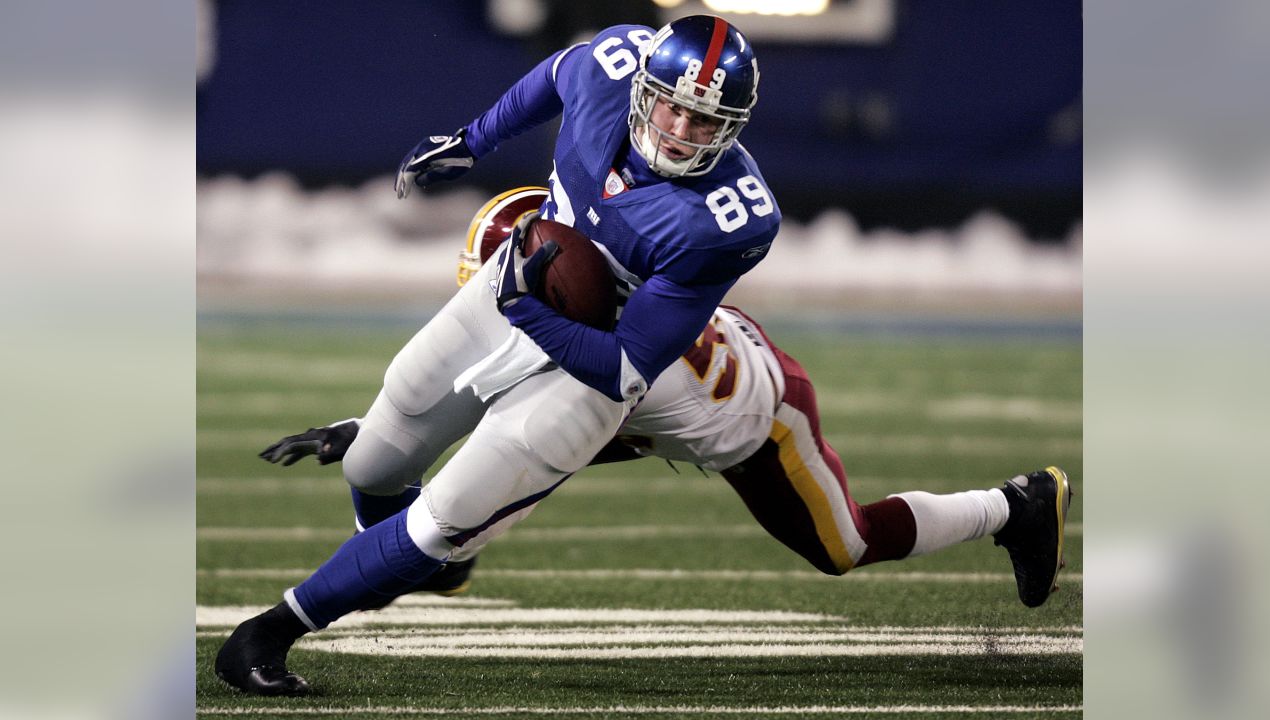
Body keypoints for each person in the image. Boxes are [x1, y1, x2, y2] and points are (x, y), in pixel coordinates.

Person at [218, 187, 1074, 697]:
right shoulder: (584, 301)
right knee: (466, 512)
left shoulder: (606, 370)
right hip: (663, 378)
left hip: (757, 415)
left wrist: (297, 615)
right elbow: (486, 401)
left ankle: (1017, 506)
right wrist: (367, 432)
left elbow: (482, 478)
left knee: (844, 545)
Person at [216, 15, 784, 696]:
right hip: (523, 280)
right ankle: (430, 567)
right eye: (674, 107)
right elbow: (554, 76)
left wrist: (524, 310)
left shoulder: (728, 218)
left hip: (593, 365)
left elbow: (625, 368)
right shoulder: (610, 66)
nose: (683, 133)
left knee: (442, 518)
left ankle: (270, 633)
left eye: (706, 121)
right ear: (643, 88)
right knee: (374, 458)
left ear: (734, 126)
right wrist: (473, 139)